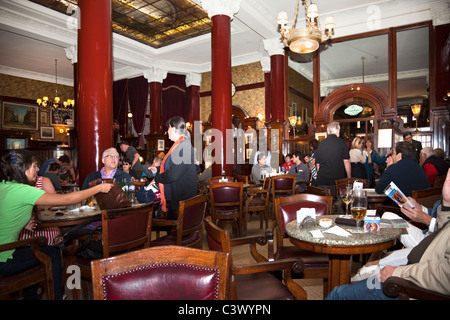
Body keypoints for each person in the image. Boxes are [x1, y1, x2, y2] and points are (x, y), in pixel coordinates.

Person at [0, 149, 113, 300]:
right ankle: (57, 296)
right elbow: (67, 200)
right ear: (23, 169)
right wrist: (98, 188)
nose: (38, 169)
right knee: (52, 252)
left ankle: (32, 296)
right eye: (34, 166)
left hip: (5, 251)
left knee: (36, 252)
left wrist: (22, 224)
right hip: (4, 259)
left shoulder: (5, 186)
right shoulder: (24, 190)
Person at [149, 116, 198, 220]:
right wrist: (157, 170)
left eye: (168, 128)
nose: (167, 131)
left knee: (176, 232)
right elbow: (173, 167)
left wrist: (156, 179)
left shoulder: (183, 146)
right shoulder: (178, 145)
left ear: (174, 128)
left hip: (182, 199)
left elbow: (173, 175)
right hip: (177, 197)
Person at [314, 121, 351, 196]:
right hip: (337, 180)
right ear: (337, 130)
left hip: (322, 181)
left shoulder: (321, 144)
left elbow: (318, 165)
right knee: (338, 204)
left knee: (326, 204)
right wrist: (349, 177)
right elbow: (346, 161)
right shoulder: (342, 143)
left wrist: (322, 175)